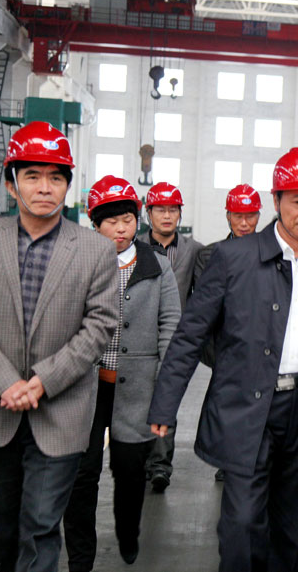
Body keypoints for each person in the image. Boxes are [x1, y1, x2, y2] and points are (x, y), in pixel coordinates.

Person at [147, 147, 298, 572]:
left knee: (289, 528)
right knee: (241, 524)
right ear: (276, 200)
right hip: (246, 408)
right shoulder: (232, 259)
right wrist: (165, 405)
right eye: (297, 201)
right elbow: (190, 334)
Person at [0, 122, 119, 572]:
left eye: (55, 177)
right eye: (32, 176)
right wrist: (5, 382)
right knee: (1, 529)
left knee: (41, 527)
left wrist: (43, 381)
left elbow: (99, 324)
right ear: (12, 184)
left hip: (61, 412)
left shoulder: (95, 250)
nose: (45, 188)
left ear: (67, 185)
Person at [63, 176, 181, 570]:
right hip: (85, 387)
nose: (120, 229)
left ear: (137, 221)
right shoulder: (78, 263)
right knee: (82, 474)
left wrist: (164, 383)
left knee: (130, 471)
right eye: (111, 222)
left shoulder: (157, 266)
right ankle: (81, 557)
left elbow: (170, 324)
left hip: (137, 389)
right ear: (95, 224)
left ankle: (128, 533)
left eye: (127, 220)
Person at [193, 182, 262, 483]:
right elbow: (204, 308)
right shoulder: (210, 255)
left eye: (250, 216)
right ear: (228, 216)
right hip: (225, 346)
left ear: (259, 215)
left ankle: (252, 458)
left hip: (260, 343)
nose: (244, 223)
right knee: (225, 405)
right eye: (237, 216)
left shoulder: (270, 253)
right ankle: (227, 459)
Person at [143, 180, 204, 492]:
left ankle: (160, 466)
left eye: (172, 210)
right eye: (160, 210)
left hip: (175, 340)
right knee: (137, 402)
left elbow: (203, 295)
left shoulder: (193, 251)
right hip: (138, 338)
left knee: (166, 399)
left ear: (180, 213)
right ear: (149, 213)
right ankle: (140, 460)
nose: (166, 215)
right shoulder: (135, 246)